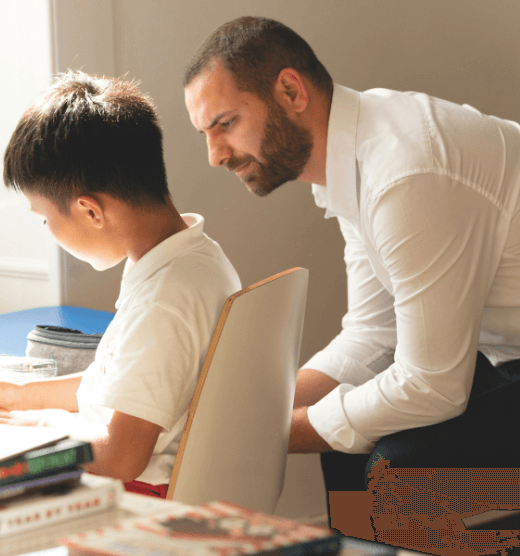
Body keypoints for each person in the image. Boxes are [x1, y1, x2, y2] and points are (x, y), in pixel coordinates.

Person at [183, 16, 520, 492]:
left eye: (226, 124)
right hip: (503, 356)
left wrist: (260, 435)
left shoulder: (404, 173)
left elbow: (432, 387)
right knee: (342, 446)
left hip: (504, 360)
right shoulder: (357, 154)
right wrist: (250, 410)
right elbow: (373, 332)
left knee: (396, 466)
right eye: (206, 134)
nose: (216, 155)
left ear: (291, 92)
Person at [0, 70, 241, 497]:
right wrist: (22, 395)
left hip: (141, 499)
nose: (48, 228)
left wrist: (40, 424)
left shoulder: (164, 302)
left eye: (46, 218)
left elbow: (120, 457)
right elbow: (120, 388)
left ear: (90, 211)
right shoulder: (194, 259)